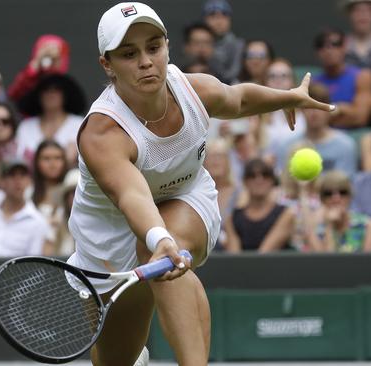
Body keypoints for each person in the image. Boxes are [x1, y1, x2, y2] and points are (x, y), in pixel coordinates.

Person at [72, 3, 334, 365]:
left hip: (185, 197)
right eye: (129, 54)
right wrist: (158, 237)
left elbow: (239, 99)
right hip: (108, 243)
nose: (146, 61)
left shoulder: (194, 89)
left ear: (167, 46)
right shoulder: (102, 133)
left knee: (165, 256)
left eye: (153, 47)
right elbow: (131, 194)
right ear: (107, 64)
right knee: (115, 361)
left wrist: (287, 97)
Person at [276, 83, 357, 176]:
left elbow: (344, 184)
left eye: (319, 107)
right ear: (301, 110)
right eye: (308, 107)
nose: (314, 113)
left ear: (329, 110)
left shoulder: (345, 145)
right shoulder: (287, 146)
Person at [224, 159, 294, 252]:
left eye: (265, 175)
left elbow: (264, 255)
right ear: (245, 182)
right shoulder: (233, 219)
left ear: (272, 181)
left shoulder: (285, 214)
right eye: (252, 175)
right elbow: (234, 257)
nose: (259, 179)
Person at [15, 74, 86, 166]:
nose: (51, 94)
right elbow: (19, 160)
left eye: (56, 89)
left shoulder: (79, 123)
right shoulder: (26, 126)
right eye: (46, 90)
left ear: (65, 95)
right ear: (38, 95)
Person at [313, 28, 371, 128]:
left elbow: (360, 118)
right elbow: (309, 120)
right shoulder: (313, 83)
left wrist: (326, 115)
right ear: (317, 52)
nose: (328, 49)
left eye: (335, 44)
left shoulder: (362, 77)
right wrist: (342, 109)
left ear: (344, 47)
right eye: (321, 45)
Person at [307, 170, 371, 252]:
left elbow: (370, 263)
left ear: (350, 196)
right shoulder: (315, 232)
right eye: (328, 193)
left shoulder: (369, 226)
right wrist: (329, 226)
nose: (336, 199)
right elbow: (325, 263)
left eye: (342, 192)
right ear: (322, 199)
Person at [30, 140, 69, 256]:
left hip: (68, 254)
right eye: (46, 159)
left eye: (57, 158)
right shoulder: (28, 193)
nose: (52, 164)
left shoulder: (73, 190)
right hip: (34, 255)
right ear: (37, 162)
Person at [203, 139, 243, 250]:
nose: (216, 160)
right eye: (211, 156)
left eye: (220, 156)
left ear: (228, 161)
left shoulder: (240, 192)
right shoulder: (197, 192)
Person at [7, 34, 71, 103]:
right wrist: (37, 61)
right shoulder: (30, 75)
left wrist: (58, 61)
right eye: (45, 47)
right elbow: (14, 94)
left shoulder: (63, 83)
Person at [202, 0, 245, 84]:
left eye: (224, 16)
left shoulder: (238, 45)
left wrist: (211, 56)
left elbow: (231, 75)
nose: (219, 21)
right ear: (205, 19)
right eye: (213, 16)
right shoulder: (197, 42)